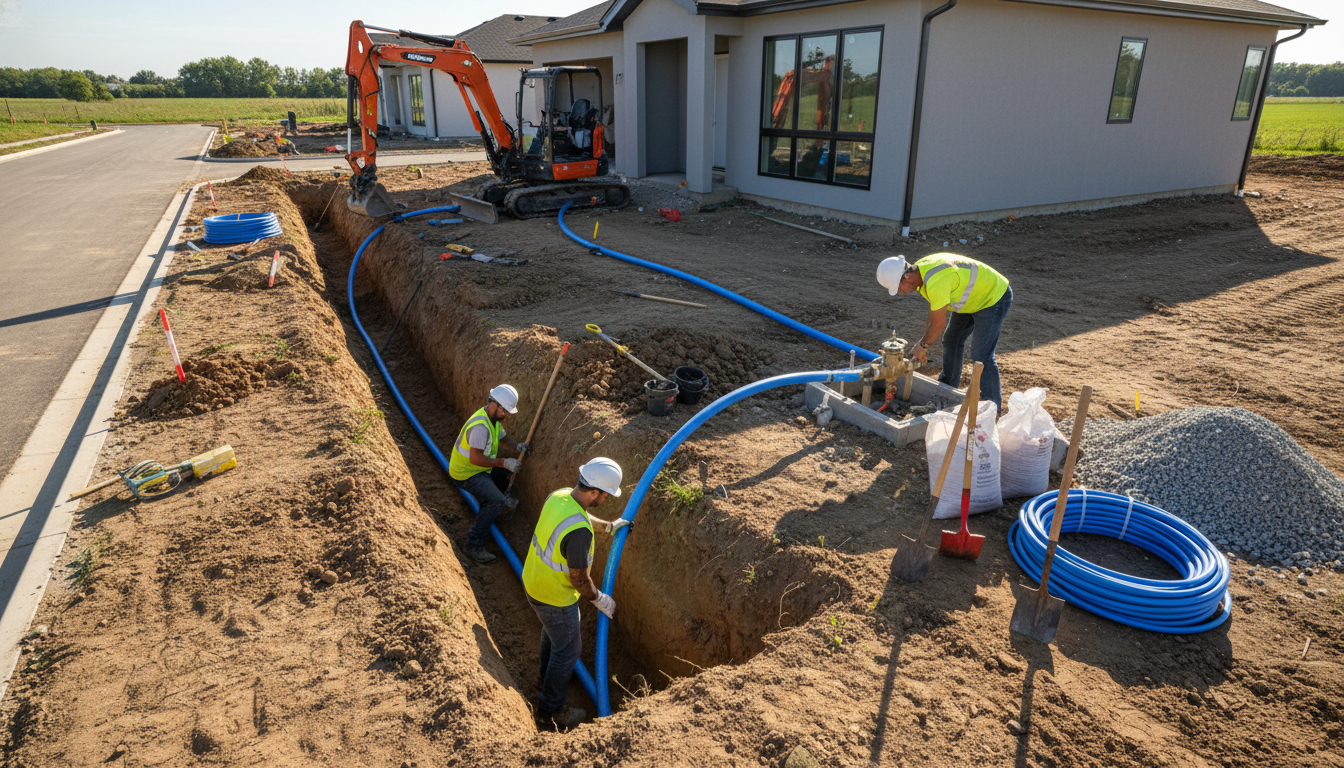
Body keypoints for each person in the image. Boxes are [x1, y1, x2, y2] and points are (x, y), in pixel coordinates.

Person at [521, 457, 630, 731]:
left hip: (534, 581)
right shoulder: (579, 533)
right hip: (554, 596)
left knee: (553, 635)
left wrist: (606, 526)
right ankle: (550, 712)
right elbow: (579, 578)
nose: (606, 498)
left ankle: (548, 677)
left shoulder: (559, 495)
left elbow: (579, 515)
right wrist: (599, 599)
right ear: (594, 492)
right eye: (605, 494)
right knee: (569, 648)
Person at [876, 253, 1013, 411]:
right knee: (951, 340)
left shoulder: (936, 279)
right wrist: (922, 343)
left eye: (897, 288)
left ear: (906, 277)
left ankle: (991, 408)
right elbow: (933, 314)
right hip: (972, 298)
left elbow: (938, 323)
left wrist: (924, 345)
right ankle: (947, 391)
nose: (899, 292)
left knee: (982, 354)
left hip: (993, 297)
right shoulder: (920, 273)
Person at [449, 384, 530, 564]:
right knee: (497, 500)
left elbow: (502, 437)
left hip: (478, 469)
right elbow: (476, 458)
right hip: (466, 473)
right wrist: (503, 462)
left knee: (502, 474)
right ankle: (473, 545)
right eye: (504, 410)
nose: (505, 414)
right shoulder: (481, 427)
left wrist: (517, 447)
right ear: (493, 403)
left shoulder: (492, 419)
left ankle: (489, 505)